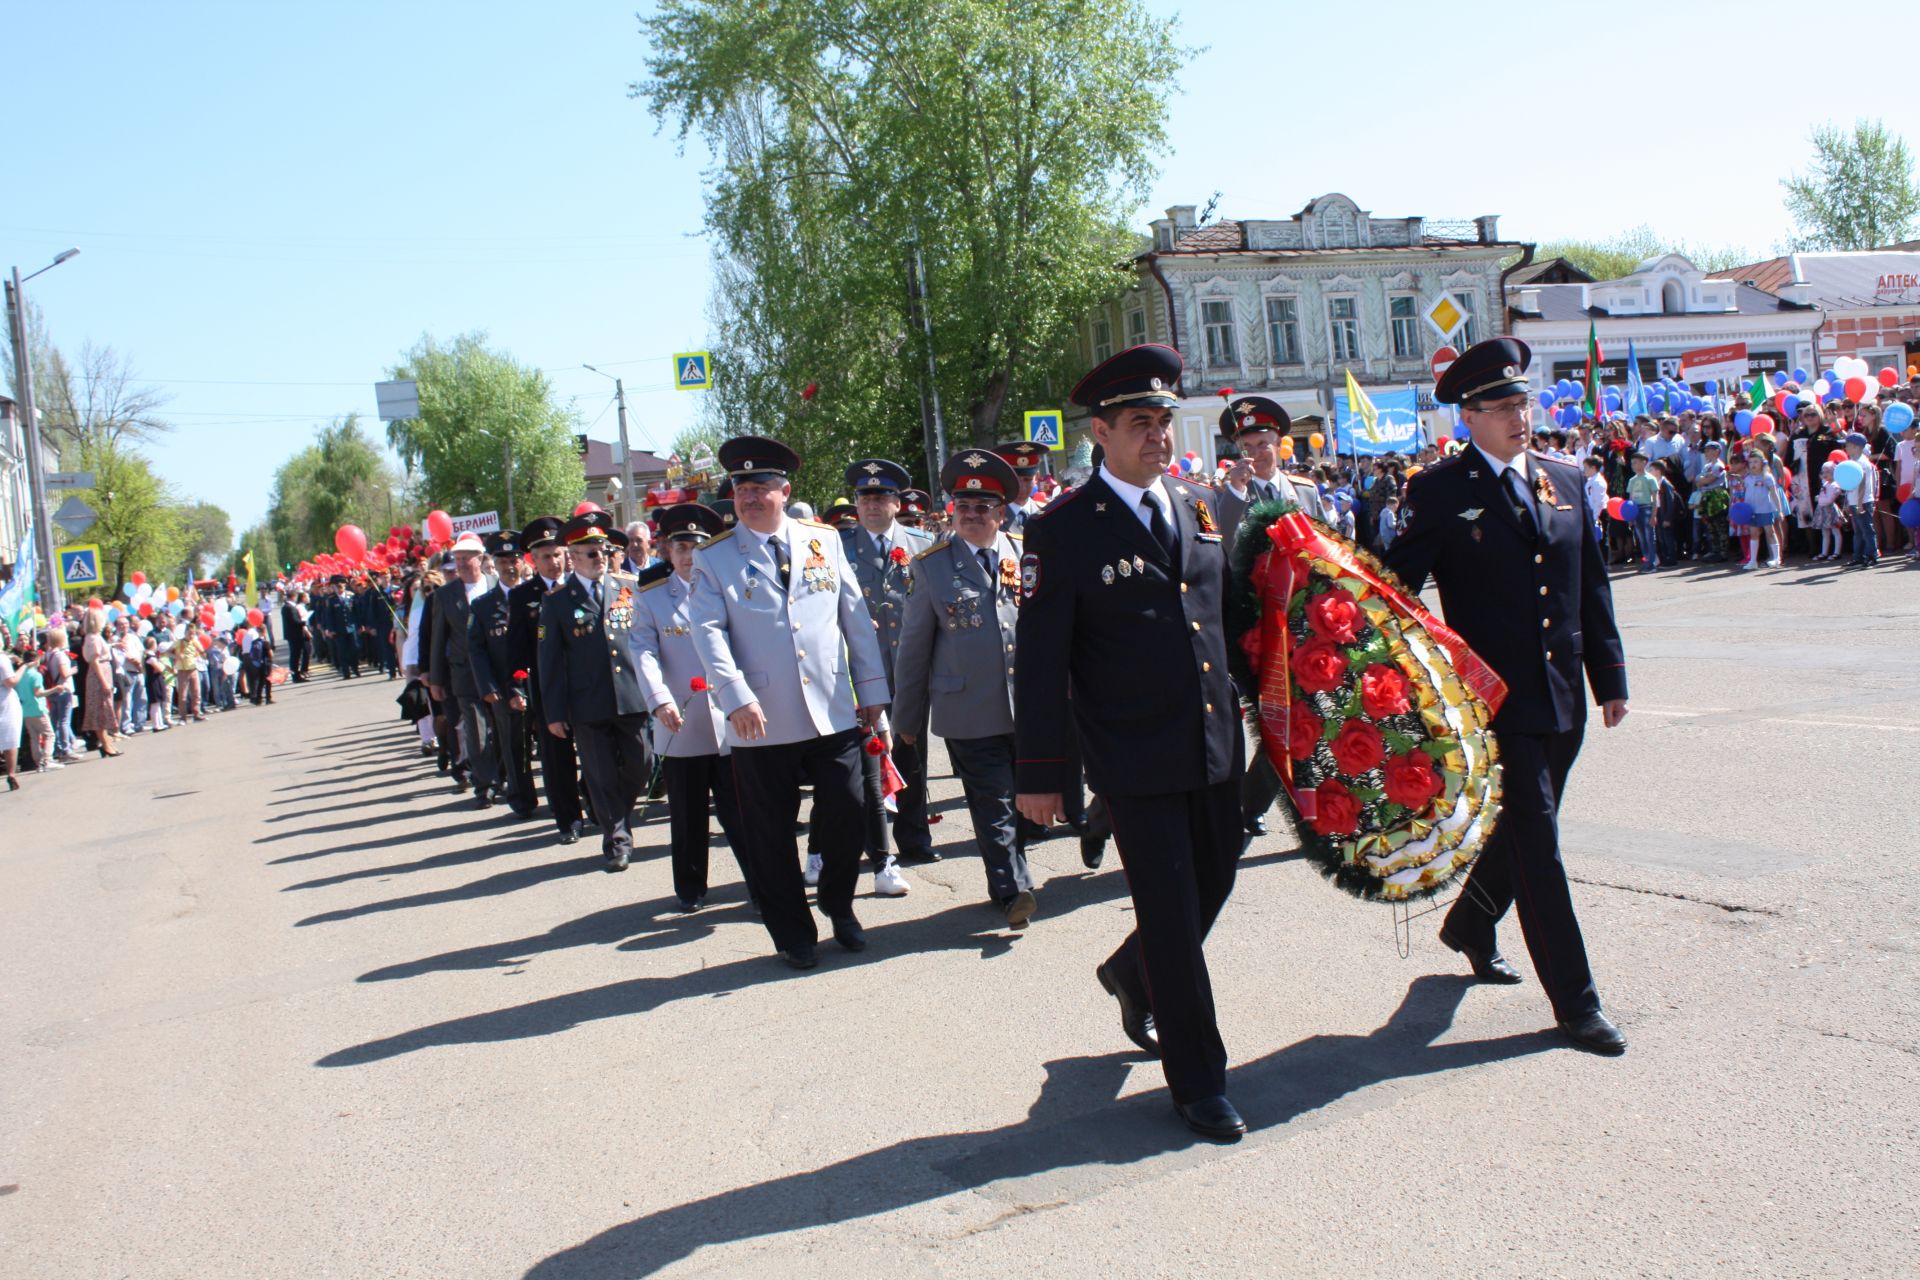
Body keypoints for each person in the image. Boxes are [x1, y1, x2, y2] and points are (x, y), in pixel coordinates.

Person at [1015, 344, 1249, 1142]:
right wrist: (1042, 776)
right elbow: (1041, 664)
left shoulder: (1202, 508)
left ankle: (1128, 971)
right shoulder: (1063, 530)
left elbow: (1225, 623)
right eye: (1141, 423)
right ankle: (1199, 1080)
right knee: (1175, 915)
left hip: (1217, 745)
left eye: (1165, 421)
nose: (1159, 436)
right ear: (1101, 433)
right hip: (1135, 759)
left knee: (1213, 885)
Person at [1384, 336, 1630, 1058]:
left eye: (1522, 401)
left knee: (1522, 835)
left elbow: (1591, 584)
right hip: (1495, 704)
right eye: (1500, 406)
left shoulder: (1563, 476)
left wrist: (1608, 678)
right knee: (1541, 847)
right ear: (1469, 416)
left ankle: (1469, 924)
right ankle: (1577, 1003)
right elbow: (1397, 588)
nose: (1518, 416)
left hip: (1563, 697)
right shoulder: (1439, 491)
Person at [687, 436, 890, 970]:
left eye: (760, 487)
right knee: (770, 834)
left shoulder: (824, 541)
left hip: (832, 709)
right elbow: (706, 633)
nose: (749, 497)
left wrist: (871, 694)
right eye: (740, 488)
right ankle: (793, 933)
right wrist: (735, 698)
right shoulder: (715, 558)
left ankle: (839, 904)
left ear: (785, 490)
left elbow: (854, 620)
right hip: (761, 718)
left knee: (848, 812)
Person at [892, 448, 1036, 927]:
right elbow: (913, 650)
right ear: (952, 511)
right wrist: (906, 723)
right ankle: (1012, 888)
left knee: (1023, 800)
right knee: (992, 802)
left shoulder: (1023, 553)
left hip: (1025, 705)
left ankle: (1013, 878)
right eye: (963, 508)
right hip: (968, 710)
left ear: (1001, 512)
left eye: (983, 508)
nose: (972, 516)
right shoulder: (931, 567)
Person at [633, 503, 753, 911]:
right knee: (687, 812)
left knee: (742, 811)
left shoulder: (728, 585)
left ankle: (761, 884)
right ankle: (690, 888)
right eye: (680, 547)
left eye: (695, 546)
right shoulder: (650, 594)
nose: (687, 556)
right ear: (667, 550)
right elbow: (643, 651)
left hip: (731, 718)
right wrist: (659, 699)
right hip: (680, 718)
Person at [538, 511, 654, 871]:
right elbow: (550, 662)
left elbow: (646, 640)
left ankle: (611, 808)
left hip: (631, 694)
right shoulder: (557, 601)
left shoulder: (627, 587)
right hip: (588, 703)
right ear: (573, 556)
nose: (599, 557)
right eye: (590, 552)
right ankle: (617, 839)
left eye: (603, 550)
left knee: (643, 764)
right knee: (601, 774)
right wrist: (555, 713)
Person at [840, 455, 935, 885]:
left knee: (912, 751)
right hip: (863, 672)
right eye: (865, 496)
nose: (872, 504)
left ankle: (914, 835)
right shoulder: (838, 548)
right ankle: (870, 838)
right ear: (856, 503)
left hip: (912, 666)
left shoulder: (921, 545)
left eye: (881, 496)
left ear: (898, 502)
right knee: (868, 756)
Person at [509, 517, 589, 844]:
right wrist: (516, 686)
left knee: (596, 749)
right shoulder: (523, 596)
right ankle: (568, 818)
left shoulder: (581, 585)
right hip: (547, 687)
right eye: (545, 557)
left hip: (587, 682)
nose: (553, 562)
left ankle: (595, 800)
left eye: (557, 554)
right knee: (557, 759)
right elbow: (516, 648)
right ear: (532, 560)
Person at [468, 530, 535, 817]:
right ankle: (522, 798)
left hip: (540, 682)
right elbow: (477, 649)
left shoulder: (538, 595)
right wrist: (489, 686)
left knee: (552, 742)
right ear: (494, 564)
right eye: (504, 561)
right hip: (505, 686)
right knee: (514, 746)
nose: (510, 566)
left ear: (523, 562)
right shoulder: (483, 606)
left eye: (515, 560)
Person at [431, 533, 500, 802]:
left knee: (503, 729)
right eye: (456, 559)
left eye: (465, 559)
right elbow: (438, 639)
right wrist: (435, 678)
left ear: (480, 559)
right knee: (476, 730)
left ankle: (503, 777)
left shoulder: (497, 586)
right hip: (464, 673)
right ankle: (484, 785)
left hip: (498, 671)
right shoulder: (445, 595)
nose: (459, 564)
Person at [81, 608, 126, 755]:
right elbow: (95, 661)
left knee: (104, 709)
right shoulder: (92, 638)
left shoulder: (95, 637)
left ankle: (106, 742)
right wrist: (104, 682)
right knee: (100, 710)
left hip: (104, 671)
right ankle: (105, 744)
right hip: (99, 675)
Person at [1840, 431, 1880, 568]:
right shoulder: (1851, 462)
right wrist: (1847, 503)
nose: (1845, 448)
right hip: (1853, 501)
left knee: (1867, 530)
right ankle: (1858, 557)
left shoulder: (1862, 462)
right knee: (1857, 532)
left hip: (1862, 501)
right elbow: (1848, 484)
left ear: (1857, 447)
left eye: (1848, 445)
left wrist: (1859, 503)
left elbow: (1862, 484)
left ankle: (1871, 556)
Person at [993, 441, 1049, 534]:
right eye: (1014, 480)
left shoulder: (1047, 513)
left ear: (1037, 477)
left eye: (1027, 480)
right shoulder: (991, 517)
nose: (1021, 488)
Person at [0, 641, 22, 791]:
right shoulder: (2, 660)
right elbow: (10, 681)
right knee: (10, 738)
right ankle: (11, 773)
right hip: (4, 699)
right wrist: (24, 667)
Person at [1812, 461, 1845, 561]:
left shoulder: (1835, 486)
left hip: (1830, 510)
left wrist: (1819, 499)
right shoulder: (1825, 483)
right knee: (1825, 532)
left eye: (1828, 472)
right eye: (1823, 472)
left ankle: (1837, 552)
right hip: (1822, 510)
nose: (1825, 474)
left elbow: (1830, 499)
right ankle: (1824, 552)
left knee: (1835, 531)